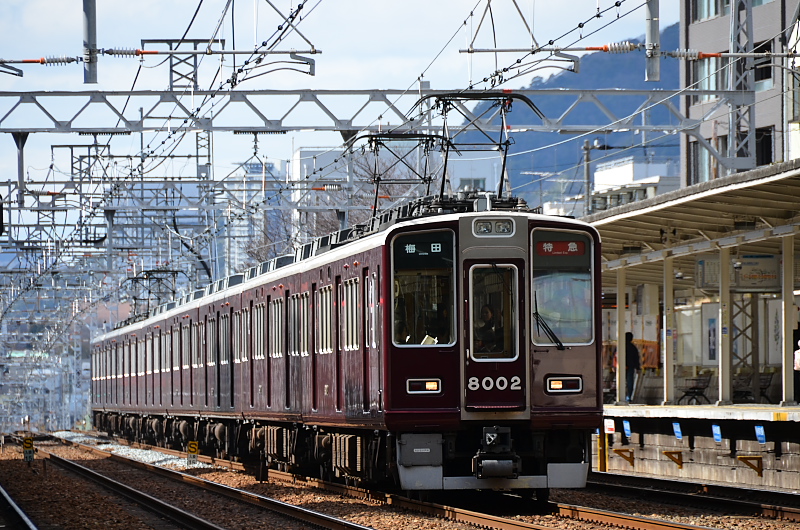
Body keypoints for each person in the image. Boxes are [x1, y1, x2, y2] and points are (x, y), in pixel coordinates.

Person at [625, 332, 640, 403]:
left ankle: (619, 395)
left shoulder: (620, 346)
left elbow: (615, 356)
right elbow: (636, 358)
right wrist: (638, 367)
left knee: (620, 382)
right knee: (630, 382)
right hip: (630, 366)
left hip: (621, 367)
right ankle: (628, 397)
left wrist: (613, 366)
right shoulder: (633, 347)